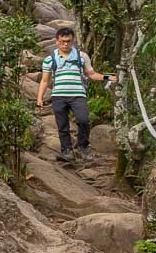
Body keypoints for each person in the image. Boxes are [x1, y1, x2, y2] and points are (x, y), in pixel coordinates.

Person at [35, 27, 115, 162]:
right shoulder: (50, 60)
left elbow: (92, 74)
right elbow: (44, 80)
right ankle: (66, 151)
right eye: (62, 41)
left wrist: (108, 77)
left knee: (83, 120)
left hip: (78, 95)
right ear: (57, 41)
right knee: (62, 125)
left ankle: (83, 147)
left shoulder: (81, 56)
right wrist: (39, 98)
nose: (65, 44)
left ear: (73, 41)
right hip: (58, 96)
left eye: (68, 41)